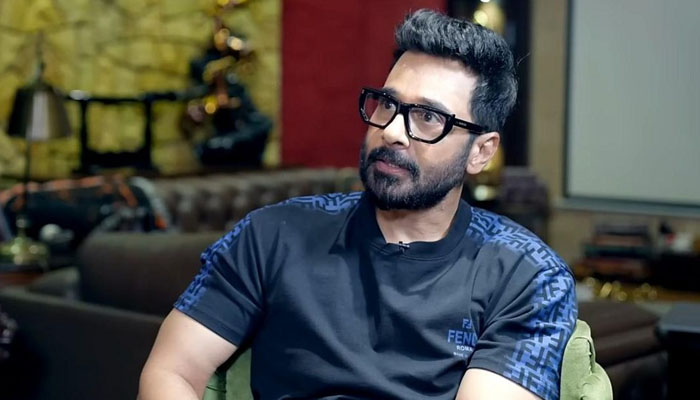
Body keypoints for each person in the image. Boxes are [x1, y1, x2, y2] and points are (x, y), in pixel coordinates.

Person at [139, 9, 577, 400]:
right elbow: (171, 371)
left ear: (481, 152)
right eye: (388, 104)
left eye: (428, 117)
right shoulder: (273, 236)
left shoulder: (525, 275)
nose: (392, 131)